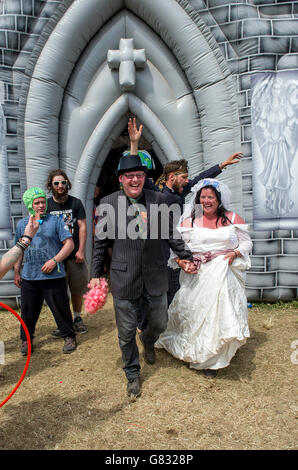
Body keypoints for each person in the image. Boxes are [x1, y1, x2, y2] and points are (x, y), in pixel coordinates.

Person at [90, 154, 196, 400]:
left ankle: (148, 340)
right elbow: (100, 243)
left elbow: (172, 234)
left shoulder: (160, 200)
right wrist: (95, 274)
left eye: (139, 175)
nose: (135, 179)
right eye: (129, 176)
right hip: (124, 277)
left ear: (144, 178)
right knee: (126, 332)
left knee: (159, 321)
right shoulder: (108, 203)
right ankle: (132, 373)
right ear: (121, 179)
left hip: (155, 273)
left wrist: (186, 256)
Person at [128, 117, 243, 325]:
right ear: (172, 177)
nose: (188, 181)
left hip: (175, 248)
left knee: (174, 290)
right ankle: (142, 325)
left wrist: (222, 165)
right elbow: (137, 173)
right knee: (151, 291)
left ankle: (169, 325)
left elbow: (199, 179)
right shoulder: (154, 191)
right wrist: (134, 145)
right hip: (154, 249)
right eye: (184, 177)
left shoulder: (181, 193)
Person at [155, 178, 253, 377]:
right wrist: (183, 263)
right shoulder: (188, 221)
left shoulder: (232, 218)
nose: (206, 201)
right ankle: (201, 351)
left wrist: (234, 254)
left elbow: (246, 243)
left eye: (210, 197)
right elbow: (175, 250)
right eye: (202, 197)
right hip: (198, 274)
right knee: (197, 314)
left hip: (224, 271)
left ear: (219, 200)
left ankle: (215, 357)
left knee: (221, 310)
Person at [13, 187, 77, 356]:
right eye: (37, 203)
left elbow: (70, 245)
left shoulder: (55, 221)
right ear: (29, 205)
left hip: (53, 275)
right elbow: (19, 250)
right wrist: (17, 271)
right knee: (28, 312)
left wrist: (55, 260)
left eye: (43, 202)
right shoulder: (22, 225)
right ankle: (26, 339)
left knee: (61, 308)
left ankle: (69, 336)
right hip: (30, 277)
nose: (42, 205)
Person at [46, 169, 88, 335]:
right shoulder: (47, 205)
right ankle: (64, 322)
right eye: (56, 183)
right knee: (59, 292)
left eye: (63, 182)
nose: (60, 186)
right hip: (56, 257)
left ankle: (77, 318)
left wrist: (81, 250)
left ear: (67, 184)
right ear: (51, 185)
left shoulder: (76, 203)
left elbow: (83, 227)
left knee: (77, 289)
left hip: (74, 256)